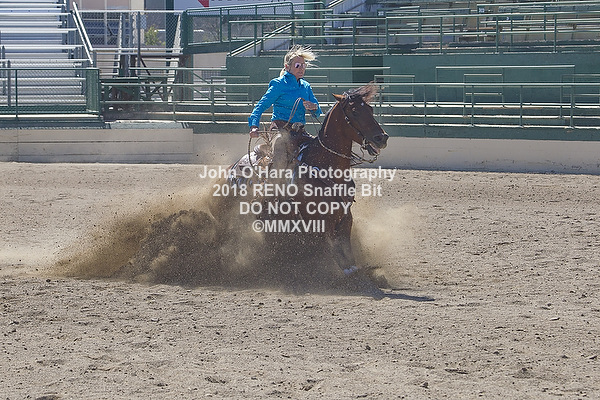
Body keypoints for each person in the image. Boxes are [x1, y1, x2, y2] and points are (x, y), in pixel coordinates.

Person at [248, 45, 322, 168]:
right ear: (287, 67)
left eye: (303, 65)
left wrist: (314, 107)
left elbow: (317, 112)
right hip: (280, 130)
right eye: (297, 65)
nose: (301, 68)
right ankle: (274, 179)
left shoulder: (306, 86)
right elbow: (260, 106)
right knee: (280, 150)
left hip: (300, 132)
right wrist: (254, 126)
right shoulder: (278, 84)